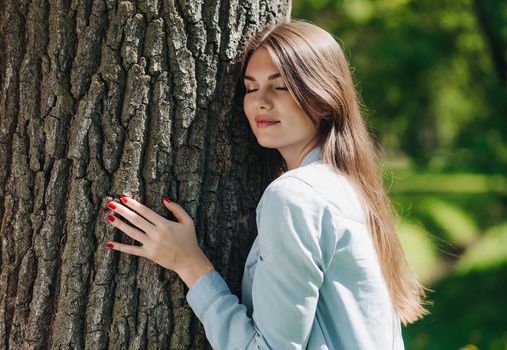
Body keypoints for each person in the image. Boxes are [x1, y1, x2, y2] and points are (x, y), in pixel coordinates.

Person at [104, 19, 427, 349]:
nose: (261, 101)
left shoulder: (295, 197)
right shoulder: (349, 187)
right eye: (251, 87)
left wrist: (190, 265)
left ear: (323, 95)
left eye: (281, 86)